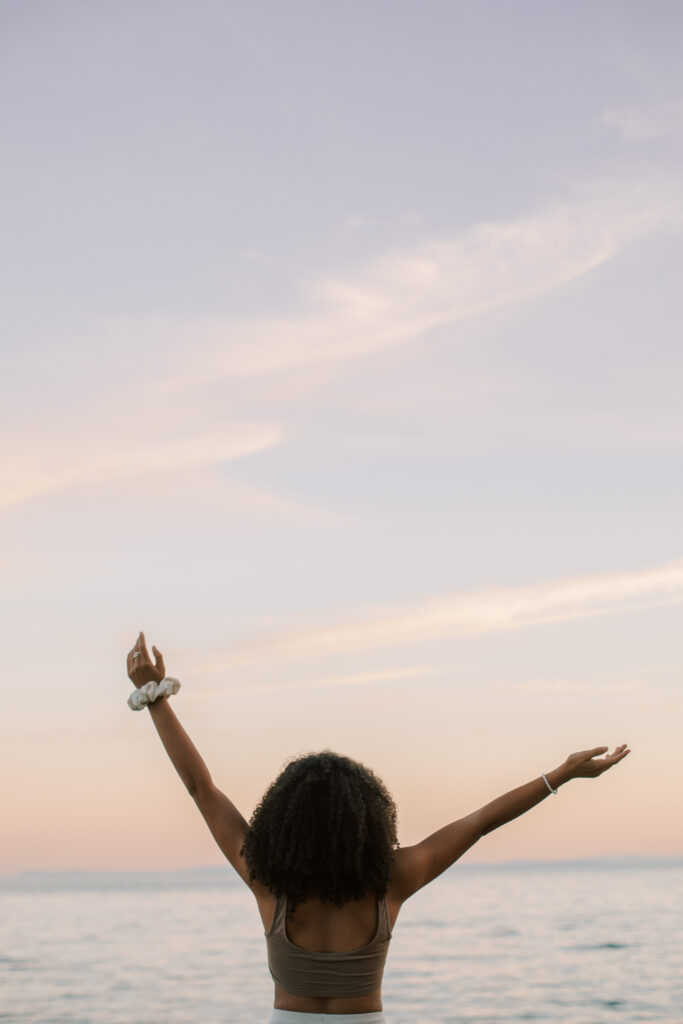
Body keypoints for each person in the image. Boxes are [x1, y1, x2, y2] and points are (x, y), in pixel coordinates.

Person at [125, 631, 630, 1024]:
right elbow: (480, 823)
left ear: (283, 820)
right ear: (368, 819)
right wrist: (563, 773)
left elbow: (201, 789)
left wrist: (157, 700)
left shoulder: (266, 876)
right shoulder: (393, 878)